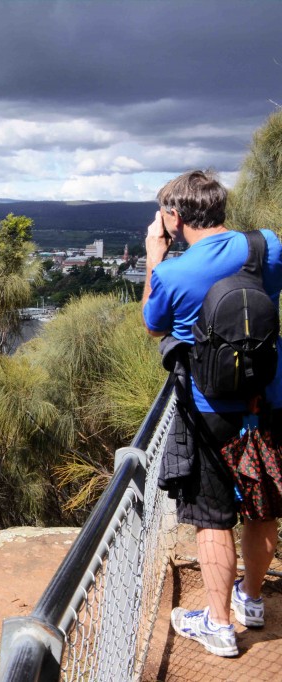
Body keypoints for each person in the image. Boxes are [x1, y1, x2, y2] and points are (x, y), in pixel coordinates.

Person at [142, 169, 282, 657]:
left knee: (213, 518)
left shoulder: (173, 273)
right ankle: (251, 599)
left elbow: (153, 327)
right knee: (263, 504)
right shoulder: (267, 246)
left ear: (174, 217)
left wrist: (153, 259)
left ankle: (219, 626)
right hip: (268, 401)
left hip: (209, 410)